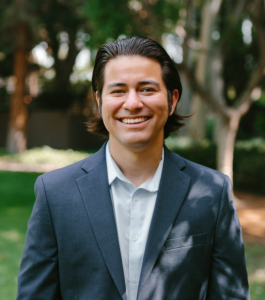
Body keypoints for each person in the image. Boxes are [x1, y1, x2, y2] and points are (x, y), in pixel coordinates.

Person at [17, 36, 250, 300]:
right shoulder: (54, 193)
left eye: (147, 89)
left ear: (173, 100)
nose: (132, 103)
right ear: (99, 100)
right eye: (118, 90)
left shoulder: (212, 192)